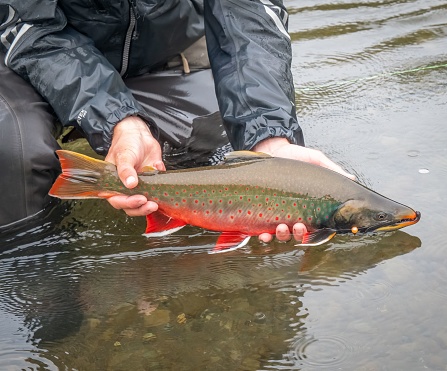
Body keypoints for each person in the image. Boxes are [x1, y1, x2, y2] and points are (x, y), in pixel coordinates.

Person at [0, 0, 353, 242]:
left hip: (161, 54)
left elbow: (247, 14)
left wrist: (268, 138)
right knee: (17, 156)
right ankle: (42, 282)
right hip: (23, 58)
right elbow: (31, 26)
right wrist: (116, 118)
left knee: (214, 141)